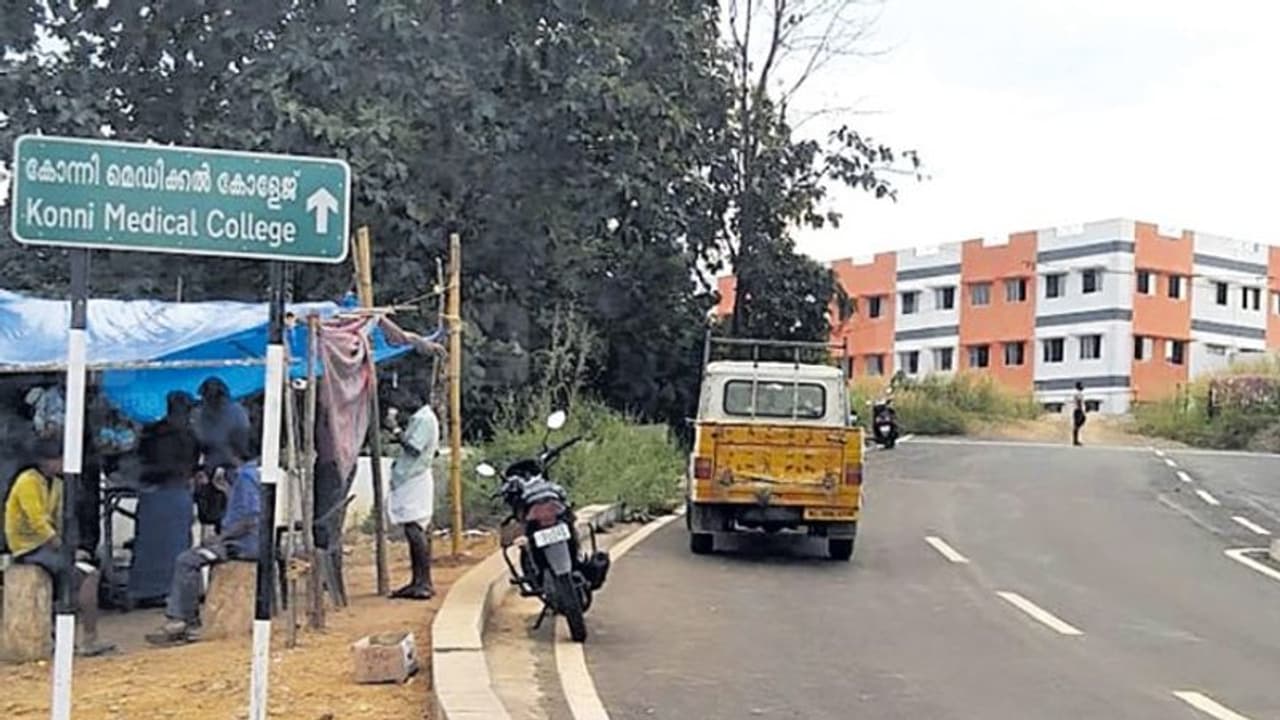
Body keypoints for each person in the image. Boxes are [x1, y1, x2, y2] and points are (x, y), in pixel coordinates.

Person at [4, 437, 115, 656]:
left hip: (47, 545)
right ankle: (88, 637)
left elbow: (60, 520)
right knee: (85, 576)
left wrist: (71, 546)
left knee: (87, 569)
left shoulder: (57, 484)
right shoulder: (27, 481)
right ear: (45, 461)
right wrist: (63, 548)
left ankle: (72, 631)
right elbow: (38, 522)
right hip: (27, 547)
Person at [146, 459, 261, 645]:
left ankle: (182, 620)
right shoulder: (247, 475)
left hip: (241, 546)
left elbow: (250, 519)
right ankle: (185, 618)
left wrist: (222, 538)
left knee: (187, 560)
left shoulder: (246, 476)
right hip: (243, 542)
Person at [129, 392, 200, 604]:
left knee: (151, 547)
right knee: (173, 548)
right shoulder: (188, 434)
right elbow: (192, 463)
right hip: (174, 493)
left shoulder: (152, 432)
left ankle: (146, 592)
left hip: (155, 492)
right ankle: (171, 593)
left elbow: (140, 460)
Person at [387, 403, 439, 600]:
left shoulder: (423, 419)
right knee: (413, 528)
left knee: (414, 528)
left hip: (414, 476)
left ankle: (424, 582)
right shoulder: (423, 418)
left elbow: (414, 448)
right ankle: (418, 581)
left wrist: (395, 428)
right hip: (413, 475)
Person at [1072, 381, 1087, 447]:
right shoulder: (1078, 393)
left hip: (1077, 410)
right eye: (1081, 385)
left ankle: (1075, 440)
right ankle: (1075, 440)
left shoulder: (1078, 393)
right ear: (1078, 386)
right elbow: (1079, 402)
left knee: (1077, 425)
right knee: (1077, 425)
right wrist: (1081, 411)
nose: (1083, 387)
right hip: (1078, 410)